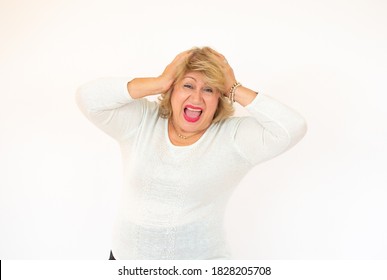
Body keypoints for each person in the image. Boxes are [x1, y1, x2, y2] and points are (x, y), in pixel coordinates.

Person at [76, 47, 307, 260]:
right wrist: (160, 81)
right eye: (188, 85)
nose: (197, 98)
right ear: (172, 89)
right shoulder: (142, 121)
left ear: (220, 98)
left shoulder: (233, 137)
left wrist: (234, 88)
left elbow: (292, 127)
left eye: (209, 89)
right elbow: (88, 98)